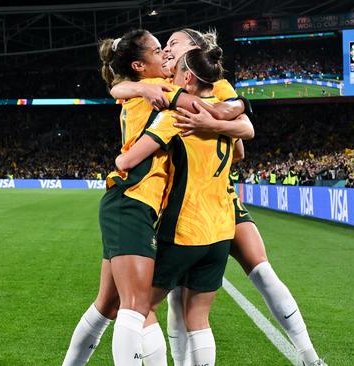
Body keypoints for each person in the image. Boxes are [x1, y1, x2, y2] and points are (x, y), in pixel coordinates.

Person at [112, 28, 327, 366]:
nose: (166, 49)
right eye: (163, 46)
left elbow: (245, 133)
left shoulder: (208, 88)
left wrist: (209, 122)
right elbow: (118, 87)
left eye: (173, 44)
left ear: (194, 53)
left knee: (252, 276)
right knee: (185, 305)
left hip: (206, 205)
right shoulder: (167, 83)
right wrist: (140, 86)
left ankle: (307, 354)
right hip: (203, 213)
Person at [62, 29, 253, 366]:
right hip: (132, 200)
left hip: (138, 204)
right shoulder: (166, 92)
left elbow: (117, 87)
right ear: (139, 64)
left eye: (167, 48)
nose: (164, 53)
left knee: (107, 304)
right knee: (134, 306)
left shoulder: (146, 89)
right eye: (156, 50)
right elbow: (223, 116)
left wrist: (137, 87)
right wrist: (228, 113)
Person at [116, 47, 245, 366]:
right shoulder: (224, 112)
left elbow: (130, 159)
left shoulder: (178, 114)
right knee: (198, 318)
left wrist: (121, 159)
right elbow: (240, 151)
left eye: (176, 73)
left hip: (185, 227)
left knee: (141, 307)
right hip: (221, 229)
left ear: (188, 77)